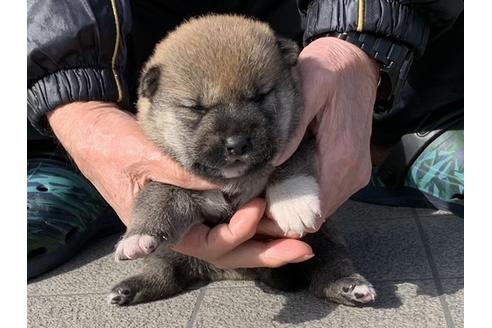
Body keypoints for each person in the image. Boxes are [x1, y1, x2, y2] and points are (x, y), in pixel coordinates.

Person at [27, 0, 464, 279]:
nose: (233, 138)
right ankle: (58, 156)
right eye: (198, 111)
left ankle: (420, 129)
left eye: (258, 100)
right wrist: (70, 102)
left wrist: (363, 40)